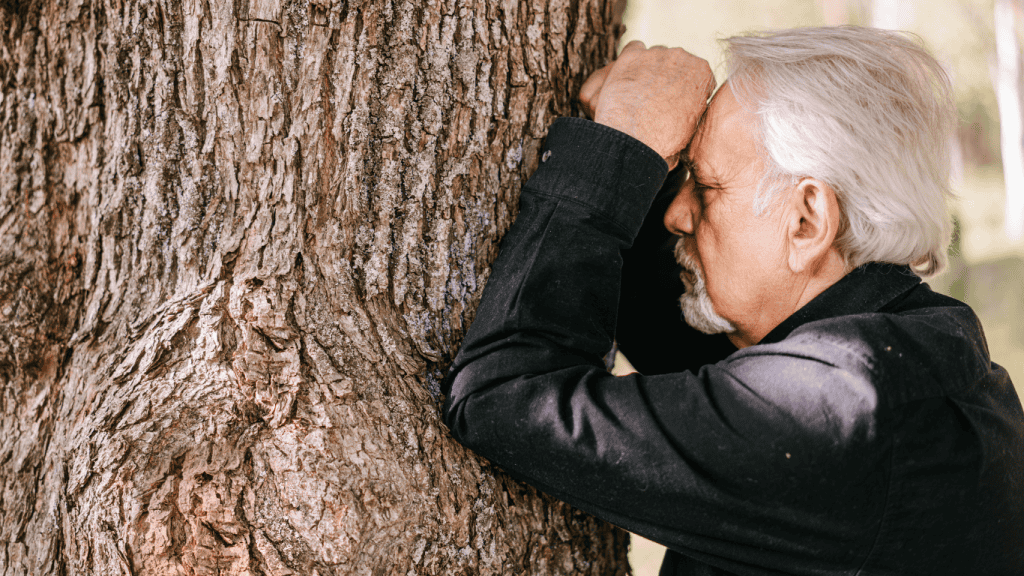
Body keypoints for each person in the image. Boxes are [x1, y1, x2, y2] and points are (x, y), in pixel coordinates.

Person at [441, 26, 1024, 575]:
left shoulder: (838, 410)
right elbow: (664, 326)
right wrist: (641, 139)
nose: (676, 213)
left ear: (805, 221)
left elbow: (500, 395)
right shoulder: (917, 343)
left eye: (707, 187)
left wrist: (616, 150)